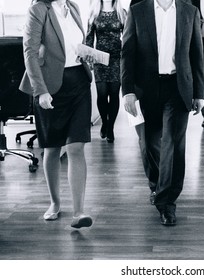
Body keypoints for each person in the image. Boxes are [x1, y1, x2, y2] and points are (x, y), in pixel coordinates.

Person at [121, 0, 204, 226]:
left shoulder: (190, 11)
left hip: (178, 88)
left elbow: (197, 53)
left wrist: (199, 93)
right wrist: (127, 91)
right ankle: (157, 186)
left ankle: (167, 202)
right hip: (145, 88)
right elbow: (127, 53)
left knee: (172, 144)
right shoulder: (138, 11)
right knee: (148, 143)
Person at [19, 0, 94, 229]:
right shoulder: (39, 9)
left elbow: (73, 44)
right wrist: (40, 91)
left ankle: (79, 212)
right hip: (50, 86)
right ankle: (54, 203)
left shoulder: (73, 7)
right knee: (52, 148)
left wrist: (85, 54)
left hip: (79, 83)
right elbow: (30, 52)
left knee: (75, 147)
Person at [86, 0, 126, 143]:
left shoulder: (122, 13)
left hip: (117, 59)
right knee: (102, 94)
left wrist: (127, 59)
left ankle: (111, 128)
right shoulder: (94, 13)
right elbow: (89, 38)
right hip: (99, 59)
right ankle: (104, 121)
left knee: (114, 94)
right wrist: (89, 57)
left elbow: (128, 37)